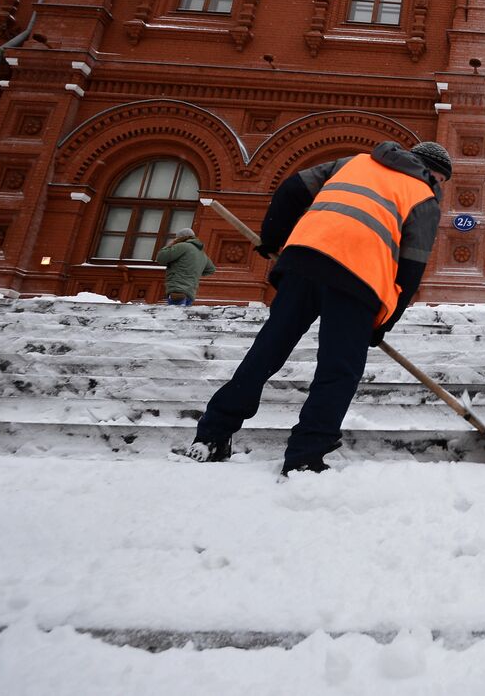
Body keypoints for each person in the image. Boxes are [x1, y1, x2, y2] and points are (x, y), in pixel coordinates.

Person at [183, 140, 452, 474]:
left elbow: (290, 190)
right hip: (360, 279)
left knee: (266, 352)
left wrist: (272, 238)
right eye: (442, 181)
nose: (441, 188)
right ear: (433, 173)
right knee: (338, 370)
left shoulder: (354, 162)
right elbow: (411, 269)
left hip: (303, 262)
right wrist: (384, 322)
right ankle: (305, 455)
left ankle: (211, 435)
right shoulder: (424, 196)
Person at [155, 227, 216, 306]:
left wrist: (169, 245)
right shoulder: (201, 253)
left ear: (181, 237)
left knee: (173, 316)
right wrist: (194, 272)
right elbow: (211, 269)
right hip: (190, 292)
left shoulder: (182, 246)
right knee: (182, 316)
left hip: (177, 289)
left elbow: (161, 258)